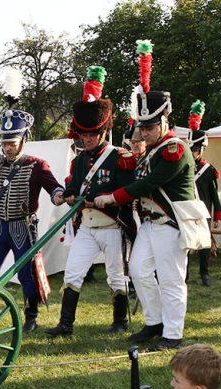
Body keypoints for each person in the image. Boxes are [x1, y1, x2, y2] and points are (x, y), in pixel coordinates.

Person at [95, 40, 195, 349]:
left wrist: (113, 197)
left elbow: (148, 185)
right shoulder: (152, 151)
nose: (145, 131)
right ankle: (155, 322)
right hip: (151, 223)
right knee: (138, 271)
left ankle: (173, 333)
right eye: (143, 126)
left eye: (151, 126)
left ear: (165, 121)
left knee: (171, 279)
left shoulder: (174, 149)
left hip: (170, 222)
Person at [0, 72, 65, 333]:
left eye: (12, 143)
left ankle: (31, 315)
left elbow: (54, 187)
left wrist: (60, 195)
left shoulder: (36, 165)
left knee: (25, 274)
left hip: (22, 228)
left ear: (23, 141)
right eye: (4, 143)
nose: (7, 148)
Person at [45, 66, 137, 336]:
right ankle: (65, 325)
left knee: (116, 277)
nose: (86, 139)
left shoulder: (120, 156)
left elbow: (127, 189)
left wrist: (101, 200)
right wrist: (65, 194)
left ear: (102, 132)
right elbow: (73, 185)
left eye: (91, 135)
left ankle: (120, 322)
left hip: (111, 225)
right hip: (86, 225)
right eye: (83, 135)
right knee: (72, 274)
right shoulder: (79, 161)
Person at [187, 100, 221, 287]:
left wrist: (217, 213)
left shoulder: (209, 170)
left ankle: (204, 273)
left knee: (204, 245)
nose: (193, 153)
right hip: (186, 209)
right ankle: (184, 275)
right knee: (185, 244)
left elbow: (214, 193)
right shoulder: (184, 167)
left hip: (204, 211)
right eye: (191, 149)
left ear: (201, 150)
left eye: (195, 150)